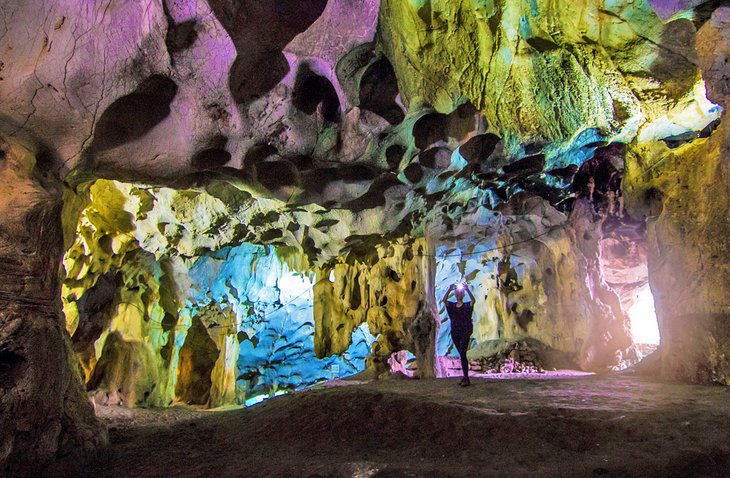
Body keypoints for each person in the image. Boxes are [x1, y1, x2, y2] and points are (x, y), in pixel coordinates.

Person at [442, 282, 476, 387]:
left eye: (460, 294)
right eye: (457, 294)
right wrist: (450, 289)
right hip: (455, 333)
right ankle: (465, 377)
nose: (458, 296)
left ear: (463, 295)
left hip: (465, 332)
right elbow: (444, 300)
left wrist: (467, 289)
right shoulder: (452, 306)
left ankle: (466, 377)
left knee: (462, 353)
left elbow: (473, 301)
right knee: (462, 354)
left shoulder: (466, 306)